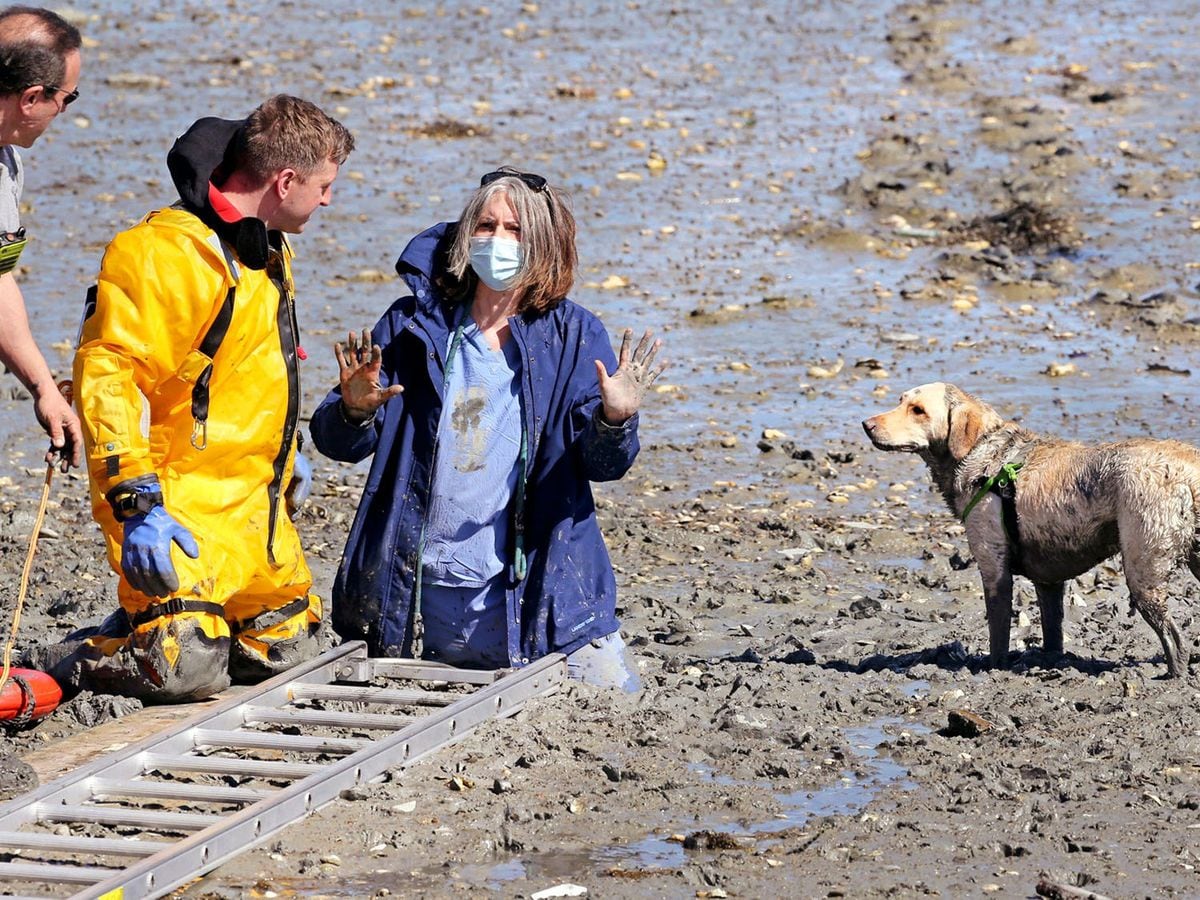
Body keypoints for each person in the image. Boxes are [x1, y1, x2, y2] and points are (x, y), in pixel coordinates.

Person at [41, 95, 353, 702]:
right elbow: (109, 379)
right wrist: (136, 504)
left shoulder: (266, 250)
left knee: (294, 649)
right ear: (285, 180)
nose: (327, 201)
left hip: (254, 512)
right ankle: (81, 657)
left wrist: (285, 457)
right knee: (186, 670)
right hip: (175, 509)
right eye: (323, 186)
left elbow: (253, 373)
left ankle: (174, 622)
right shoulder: (162, 254)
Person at [310, 167, 665, 691]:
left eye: (514, 229)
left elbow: (604, 465)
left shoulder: (573, 334)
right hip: (416, 601)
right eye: (486, 225)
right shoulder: (413, 325)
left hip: (544, 602)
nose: (497, 240)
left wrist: (615, 419)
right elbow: (336, 443)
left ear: (539, 243)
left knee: (619, 710)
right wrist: (353, 409)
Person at [0, 5, 82, 469]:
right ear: (32, 97)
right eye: (67, 98)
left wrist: (44, 388)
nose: (65, 111)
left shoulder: (7, 158)